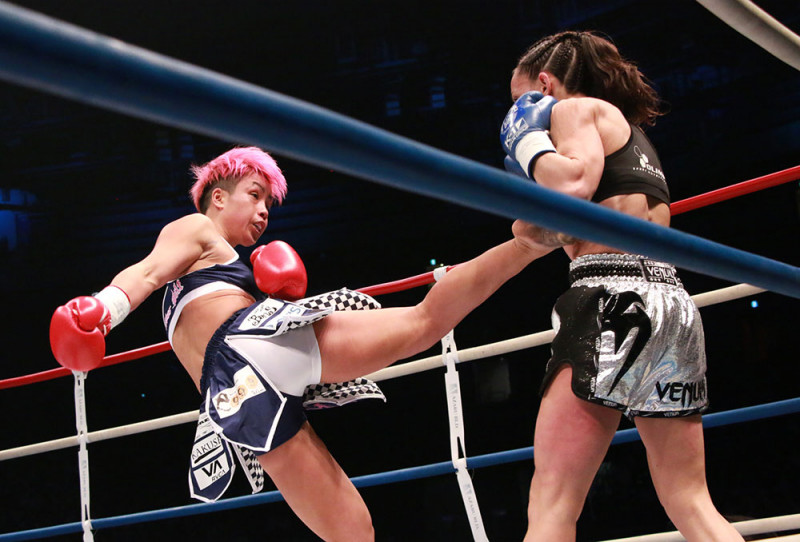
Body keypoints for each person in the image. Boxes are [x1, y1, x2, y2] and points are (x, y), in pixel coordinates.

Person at [49, 146, 554, 541]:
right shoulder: (197, 227)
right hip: (248, 347)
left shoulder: (223, 271)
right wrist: (102, 310)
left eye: (269, 203)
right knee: (423, 321)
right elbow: (147, 272)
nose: (264, 210)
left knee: (353, 532)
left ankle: (527, 243)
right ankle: (527, 242)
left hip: (233, 398)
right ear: (218, 196)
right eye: (255, 194)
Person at [500, 31, 744, 541]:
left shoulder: (573, 110)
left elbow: (572, 185)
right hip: (672, 302)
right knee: (690, 499)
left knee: (552, 502)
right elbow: (564, 224)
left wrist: (525, 140)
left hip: (610, 300)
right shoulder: (628, 134)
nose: (522, 114)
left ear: (544, 84)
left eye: (522, 100)